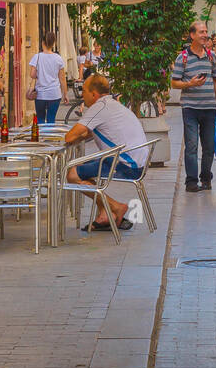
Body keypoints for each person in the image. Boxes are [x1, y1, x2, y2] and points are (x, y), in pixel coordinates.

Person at [63, 74, 148, 231]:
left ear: (94, 94)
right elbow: (91, 132)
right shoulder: (113, 104)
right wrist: (81, 135)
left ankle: (115, 207)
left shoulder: (99, 107)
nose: (82, 96)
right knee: (83, 168)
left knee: (72, 175)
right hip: (136, 161)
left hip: (126, 165)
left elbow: (69, 137)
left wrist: (76, 137)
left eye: (84, 92)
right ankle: (104, 214)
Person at [171, 21, 216, 192]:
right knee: (191, 146)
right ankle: (191, 182)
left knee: (209, 146)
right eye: (201, 32)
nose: (205, 35)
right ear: (192, 35)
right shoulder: (182, 58)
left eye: (206, 31)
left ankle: (206, 178)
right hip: (190, 108)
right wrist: (190, 83)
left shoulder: (211, 57)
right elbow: (174, 83)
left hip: (209, 108)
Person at [28, 31, 67, 125]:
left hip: (41, 94)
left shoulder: (37, 57)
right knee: (51, 120)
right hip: (54, 94)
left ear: (43, 42)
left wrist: (40, 73)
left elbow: (32, 75)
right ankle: (50, 139)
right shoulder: (58, 58)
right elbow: (62, 79)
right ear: (53, 43)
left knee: (40, 120)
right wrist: (65, 94)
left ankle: (41, 138)